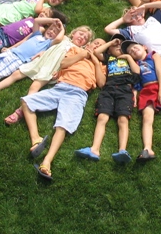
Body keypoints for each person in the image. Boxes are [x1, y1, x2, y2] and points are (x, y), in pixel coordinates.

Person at [21, 31, 106, 181]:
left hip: (78, 94)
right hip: (60, 87)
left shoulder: (101, 65)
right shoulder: (76, 51)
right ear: (89, 45)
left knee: (63, 125)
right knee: (26, 101)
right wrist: (83, 54)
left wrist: (94, 60)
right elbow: (64, 64)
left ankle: (47, 161)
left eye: (101, 46)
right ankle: (36, 138)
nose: (98, 45)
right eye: (96, 42)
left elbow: (101, 83)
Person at [2, 28, 100, 126]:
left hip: (53, 67)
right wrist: (43, 52)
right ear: (73, 33)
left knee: (34, 86)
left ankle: (20, 112)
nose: (82, 37)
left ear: (86, 43)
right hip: (43, 60)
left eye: (85, 38)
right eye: (81, 34)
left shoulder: (79, 51)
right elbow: (53, 46)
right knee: (16, 73)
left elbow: (71, 66)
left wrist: (60, 73)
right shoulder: (64, 38)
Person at [74, 36, 138, 163]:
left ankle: (122, 150)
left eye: (121, 46)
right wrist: (111, 42)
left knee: (123, 120)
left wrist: (128, 57)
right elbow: (97, 53)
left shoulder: (129, 60)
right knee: (102, 117)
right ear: (109, 51)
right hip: (108, 90)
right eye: (115, 46)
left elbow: (137, 72)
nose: (118, 47)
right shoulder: (109, 59)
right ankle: (95, 149)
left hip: (125, 90)